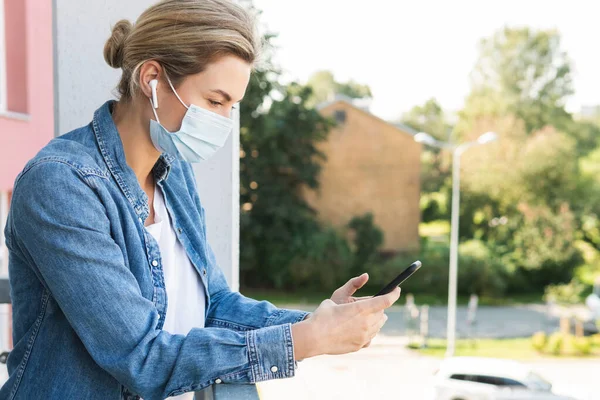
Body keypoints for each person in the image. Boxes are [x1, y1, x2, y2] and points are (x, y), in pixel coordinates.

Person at [0, 1, 400, 399]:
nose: (223, 122)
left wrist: (319, 321)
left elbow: (215, 303)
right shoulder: (61, 184)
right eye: (214, 101)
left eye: (232, 107)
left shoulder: (173, 174)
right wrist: (304, 340)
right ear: (152, 78)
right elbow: (140, 356)